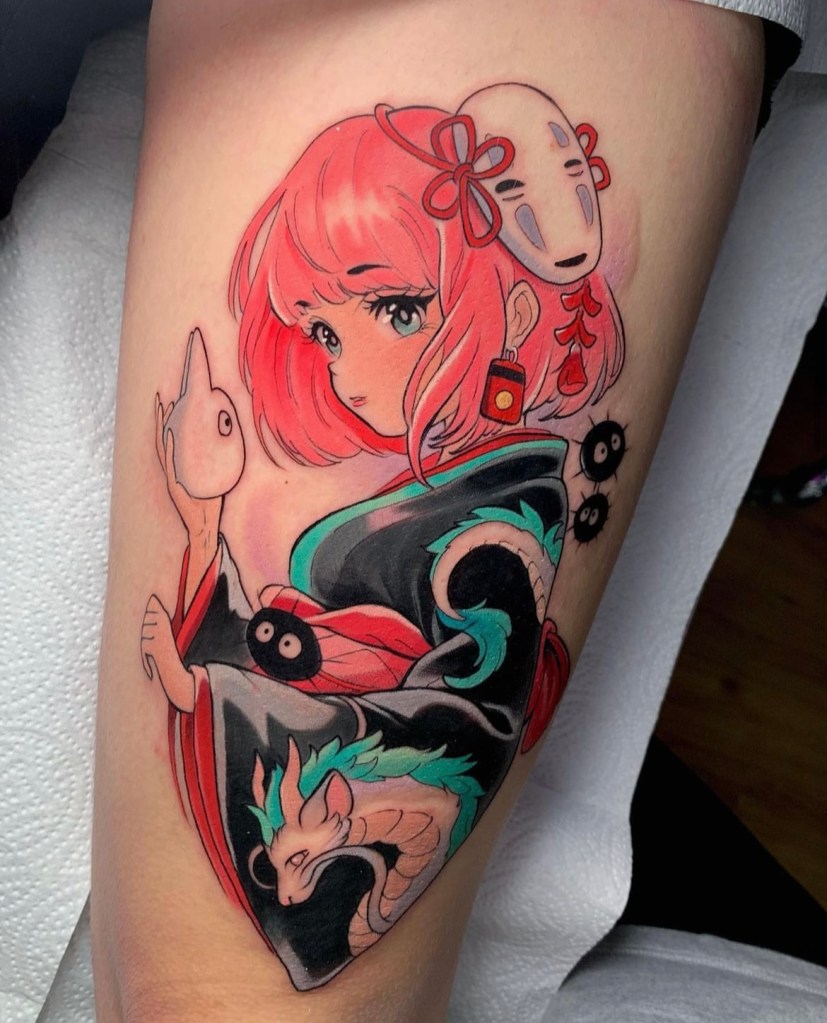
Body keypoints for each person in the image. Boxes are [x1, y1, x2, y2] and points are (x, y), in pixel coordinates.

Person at [91, 2, 779, 1020]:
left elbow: (456, 721)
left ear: (511, 307)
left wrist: (232, 663)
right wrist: (199, 520)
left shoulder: (490, 541)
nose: (345, 372)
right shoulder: (454, 509)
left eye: (397, 309)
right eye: (322, 331)